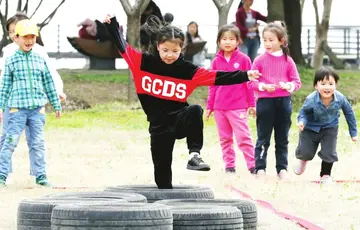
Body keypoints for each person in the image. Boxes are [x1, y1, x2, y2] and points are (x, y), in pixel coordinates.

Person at [102, 15, 261, 189]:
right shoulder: (142, 63)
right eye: (165, 50)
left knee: (194, 110)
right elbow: (122, 46)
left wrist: (245, 75)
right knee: (162, 177)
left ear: (181, 49)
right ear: (158, 46)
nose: (170, 55)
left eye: (175, 51)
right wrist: (113, 25)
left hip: (179, 120)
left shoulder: (188, 71)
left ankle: (194, 155)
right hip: (158, 127)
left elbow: (217, 76)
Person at [1, 12, 65, 179]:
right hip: (13, 102)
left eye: (17, 30)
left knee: (36, 140)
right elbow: (4, 78)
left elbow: (50, 75)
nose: (14, 34)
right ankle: (3, 172)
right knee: (7, 137)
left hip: (35, 104)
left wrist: (58, 92)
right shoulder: (8, 52)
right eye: (11, 32)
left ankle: (39, 174)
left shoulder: (39, 53)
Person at [248, 22, 302, 180]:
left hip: (284, 102)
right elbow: (250, 82)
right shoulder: (259, 60)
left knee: (282, 137)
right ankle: (260, 168)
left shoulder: (288, 60)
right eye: (264, 40)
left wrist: (288, 85)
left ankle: (282, 168)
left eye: (271, 40)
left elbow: (297, 82)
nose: (267, 44)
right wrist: (263, 86)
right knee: (263, 137)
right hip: (265, 103)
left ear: (281, 41)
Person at [206, 24, 256, 174]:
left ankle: (253, 166)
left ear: (238, 41)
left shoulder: (244, 59)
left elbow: (249, 83)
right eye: (224, 39)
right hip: (219, 107)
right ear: (219, 41)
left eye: (231, 39)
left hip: (238, 107)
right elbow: (212, 85)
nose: (227, 42)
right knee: (225, 139)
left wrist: (251, 104)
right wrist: (210, 106)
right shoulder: (215, 61)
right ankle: (229, 166)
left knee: (243, 138)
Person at [294, 67, 357, 184]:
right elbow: (303, 112)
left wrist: (353, 133)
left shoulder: (340, 99)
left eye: (331, 84)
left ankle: (325, 175)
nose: (327, 87)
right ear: (316, 86)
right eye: (323, 83)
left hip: (330, 127)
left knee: (329, 152)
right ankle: (303, 160)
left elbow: (349, 114)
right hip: (310, 128)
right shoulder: (311, 99)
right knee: (306, 152)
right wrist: (302, 122)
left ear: (335, 85)